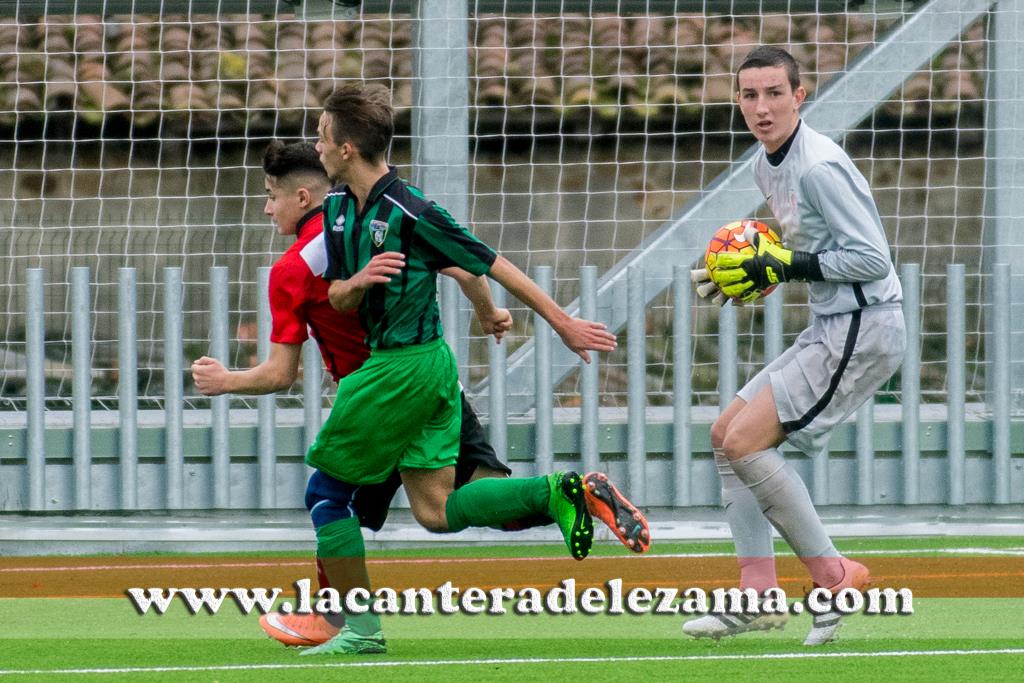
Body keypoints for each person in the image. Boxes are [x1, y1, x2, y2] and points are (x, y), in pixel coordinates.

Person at [689, 46, 905, 646]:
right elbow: (794, 252)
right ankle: (758, 595)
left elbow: (869, 259)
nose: (762, 108)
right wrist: (744, 272)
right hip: (833, 325)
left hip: (866, 326)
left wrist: (782, 265)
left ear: (799, 95)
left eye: (774, 94)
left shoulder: (817, 165)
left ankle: (834, 575)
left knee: (745, 443)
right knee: (724, 436)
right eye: (749, 95)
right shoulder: (766, 162)